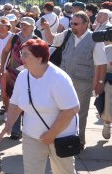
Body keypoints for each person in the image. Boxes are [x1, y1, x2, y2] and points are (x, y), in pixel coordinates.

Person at [0, 39, 79, 174]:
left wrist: (51, 134)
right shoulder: (23, 76)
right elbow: (16, 103)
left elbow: (71, 109)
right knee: (32, 172)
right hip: (32, 135)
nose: (21, 57)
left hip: (61, 135)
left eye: (26, 55)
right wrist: (8, 124)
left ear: (40, 58)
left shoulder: (58, 78)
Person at [44, 11, 106, 148]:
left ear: (86, 24)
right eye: (72, 23)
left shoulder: (95, 39)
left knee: (79, 113)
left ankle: (79, 140)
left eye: (76, 24)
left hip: (83, 82)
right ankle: (59, 137)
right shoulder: (67, 34)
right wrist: (46, 28)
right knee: (60, 110)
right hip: (63, 81)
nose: (72, 26)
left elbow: (101, 63)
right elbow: (51, 40)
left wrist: (99, 83)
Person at [0, 16, 39, 138]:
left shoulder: (36, 40)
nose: (24, 26)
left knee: (29, 101)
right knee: (14, 100)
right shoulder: (15, 37)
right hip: (13, 74)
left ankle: (27, 129)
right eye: (22, 24)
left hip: (31, 75)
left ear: (33, 26)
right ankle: (15, 131)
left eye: (27, 24)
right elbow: (5, 51)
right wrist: (3, 67)